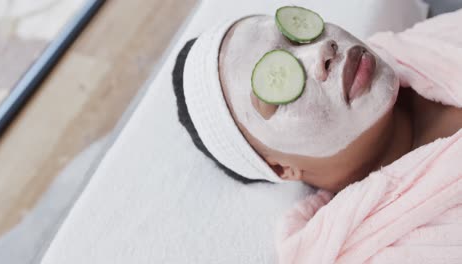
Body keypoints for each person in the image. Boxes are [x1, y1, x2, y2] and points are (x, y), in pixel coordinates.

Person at [172, 13, 462, 193]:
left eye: (296, 36)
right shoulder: (387, 248)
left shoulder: (429, 40)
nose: (321, 50)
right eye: (278, 81)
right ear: (280, 168)